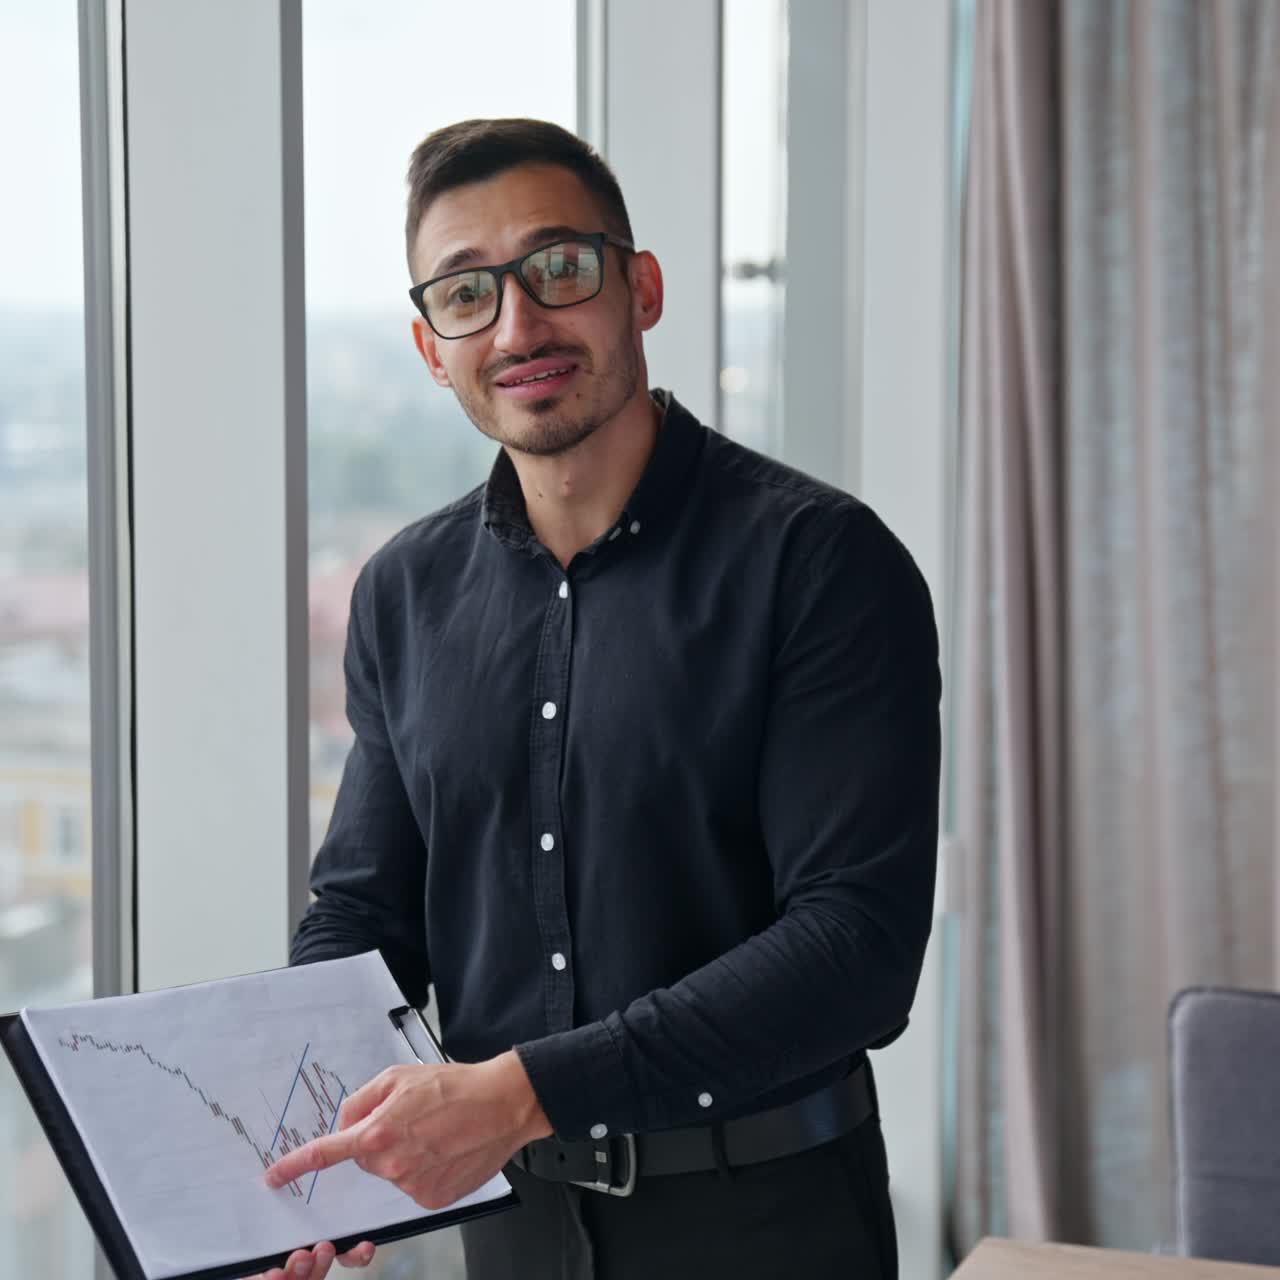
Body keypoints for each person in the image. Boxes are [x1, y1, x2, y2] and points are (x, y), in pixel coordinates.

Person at [253, 117, 940, 1280]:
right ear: (430, 347)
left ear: (641, 288)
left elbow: (853, 946)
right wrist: (303, 1157)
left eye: (558, 268)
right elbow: (363, 915)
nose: (517, 326)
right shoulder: (404, 592)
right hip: (511, 1230)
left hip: (768, 1227)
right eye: (466, 293)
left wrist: (524, 1091)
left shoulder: (818, 562)